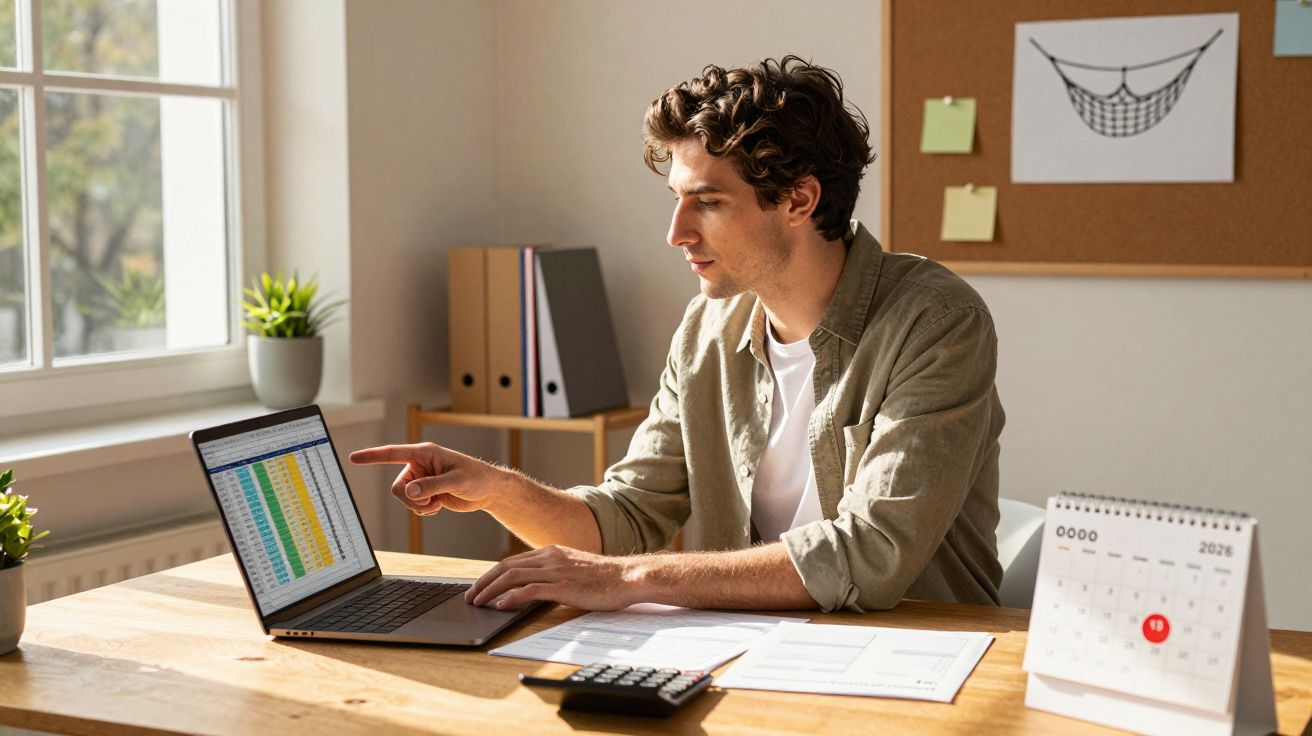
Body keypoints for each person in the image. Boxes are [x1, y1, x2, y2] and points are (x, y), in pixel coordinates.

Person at [351, 56, 1005, 614]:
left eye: (709, 202)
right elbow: (628, 519)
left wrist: (637, 578)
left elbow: (873, 552)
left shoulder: (937, 322)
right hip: (757, 655)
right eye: (676, 197)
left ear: (800, 201)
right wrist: (496, 488)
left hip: (918, 659)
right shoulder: (707, 329)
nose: (677, 232)